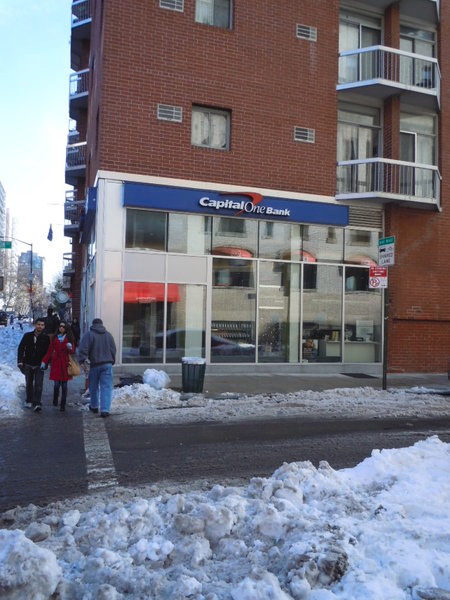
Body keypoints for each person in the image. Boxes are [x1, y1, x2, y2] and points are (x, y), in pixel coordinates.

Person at [78, 318, 116, 418]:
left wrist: (82, 360)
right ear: (102, 324)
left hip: (94, 365)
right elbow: (113, 349)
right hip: (107, 365)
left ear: (93, 324)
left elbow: (83, 349)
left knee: (93, 386)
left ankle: (94, 406)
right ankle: (105, 410)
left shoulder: (89, 335)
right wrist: (111, 361)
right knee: (106, 387)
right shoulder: (108, 335)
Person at [17, 317, 50, 412]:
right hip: (28, 363)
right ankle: (29, 400)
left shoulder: (46, 338)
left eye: (42, 325)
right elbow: (21, 348)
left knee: (39, 384)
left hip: (40, 364)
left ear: (44, 327)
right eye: (38, 324)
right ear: (35, 325)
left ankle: (37, 402)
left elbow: (48, 351)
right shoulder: (27, 336)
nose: (40, 326)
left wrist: (46, 362)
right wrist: (20, 361)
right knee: (29, 383)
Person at [41, 322, 75, 412]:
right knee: (56, 385)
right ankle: (55, 398)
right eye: (60, 326)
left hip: (65, 362)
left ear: (66, 328)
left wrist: (70, 348)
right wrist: (44, 361)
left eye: (63, 327)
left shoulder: (69, 338)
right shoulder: (55, 338)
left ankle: (63, 404)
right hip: (56, 362)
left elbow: (72, 352)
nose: (61, 328)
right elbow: (49, 351)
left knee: (64, 385)